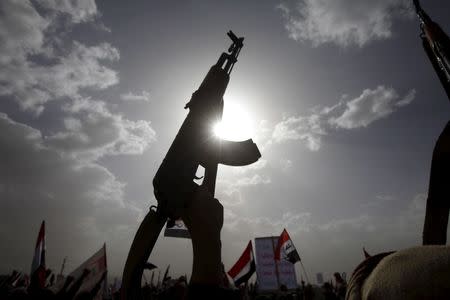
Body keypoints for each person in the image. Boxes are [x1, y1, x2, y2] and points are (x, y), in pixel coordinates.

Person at [181, 186, 238, 299]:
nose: (214, 200)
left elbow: (207, 187)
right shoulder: (194, 217)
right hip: (202, 289)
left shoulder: (207, 220)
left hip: (205, 287)